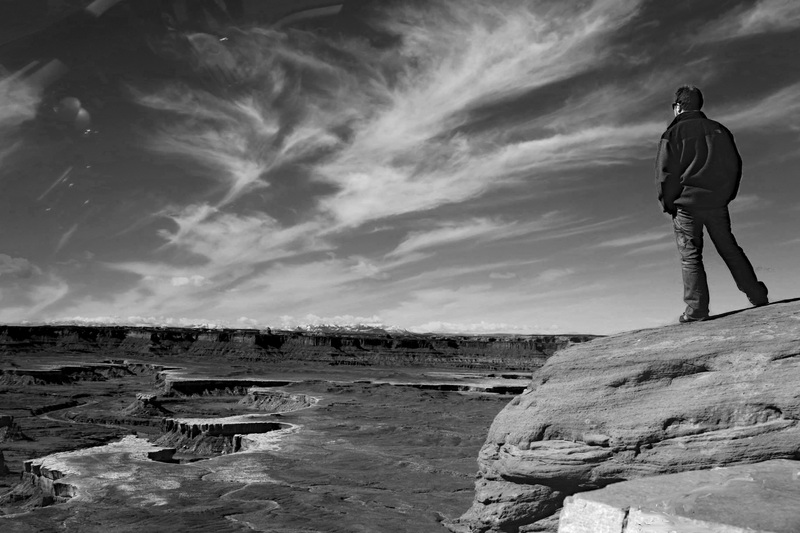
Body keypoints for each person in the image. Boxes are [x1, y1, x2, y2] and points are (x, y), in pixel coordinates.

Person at [655, 85, 768, 323]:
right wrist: (726, 195)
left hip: (686, 205)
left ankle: (696, 310)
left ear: (677, 107)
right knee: (729, 248)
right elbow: (734, 166)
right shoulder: (719, 130)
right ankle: (756, 294)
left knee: (690, 257)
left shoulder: (672, 134)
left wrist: (668, 203)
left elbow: (666, 174)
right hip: (716, 203)